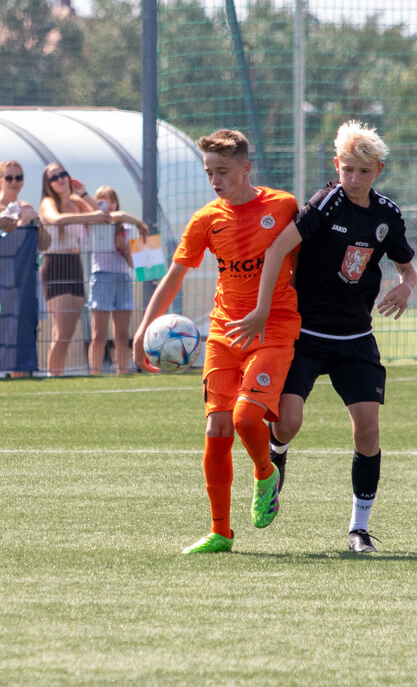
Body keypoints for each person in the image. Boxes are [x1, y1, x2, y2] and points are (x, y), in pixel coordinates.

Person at [226, 120, 417, 554]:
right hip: (306, 334)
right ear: (337, 165)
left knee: (368, 430)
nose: (353, 179)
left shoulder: (388, 215)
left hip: (355, 338)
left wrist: (406, 287)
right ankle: (276, 459)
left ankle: (359, 529)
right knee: (288, 421)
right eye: (347, 169)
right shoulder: (325, 204)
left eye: (363, 172)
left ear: (378, 172)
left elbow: (408, 267)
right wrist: (261, 310)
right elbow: (277, 248)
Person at [132, 129, 301, 554]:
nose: (215, 180)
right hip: (224, 334)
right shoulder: (206, 219)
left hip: (274, 329)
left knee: (247, 419)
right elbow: (174, 277)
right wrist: (142, 329)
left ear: (246, 168)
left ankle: (266, 475)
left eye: (222, 171)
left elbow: (305, 263)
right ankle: (220, 532)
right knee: (216, 428)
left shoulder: (282, 207)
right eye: (209, 171)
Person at [37, 162, 111, 376]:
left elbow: (103, 215)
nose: (60, 179)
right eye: (54, 177)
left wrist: (84, 193)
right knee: (61, 330)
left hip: (75, 263)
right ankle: (53, 375)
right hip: (55, 264)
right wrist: (90, 217)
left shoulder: (77, 202)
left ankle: (57, 374)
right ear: (48, 184)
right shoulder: (48, 202)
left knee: (70, 330)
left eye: (63, 174)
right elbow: (56, 220)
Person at [87, 186, 148, 375]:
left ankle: (122, 371)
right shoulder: (94, 225)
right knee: (99, 335)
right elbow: (114, 216)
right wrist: (139, 222)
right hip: (102, 277)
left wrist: (124, 248)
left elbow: (135, 264)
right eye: (103, 201)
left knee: (121, 334)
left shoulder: (126, 229)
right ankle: (94, 372)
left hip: (122, 278)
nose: (109, 206)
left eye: (112, 201)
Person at [0, 160, 51, 250]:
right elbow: (7, 246)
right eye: (9, 178)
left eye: (18, 178)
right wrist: (24, 221)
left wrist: (38, 223)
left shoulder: (26, 207)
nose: (14, 182)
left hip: (27, 262)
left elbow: (45, 245)